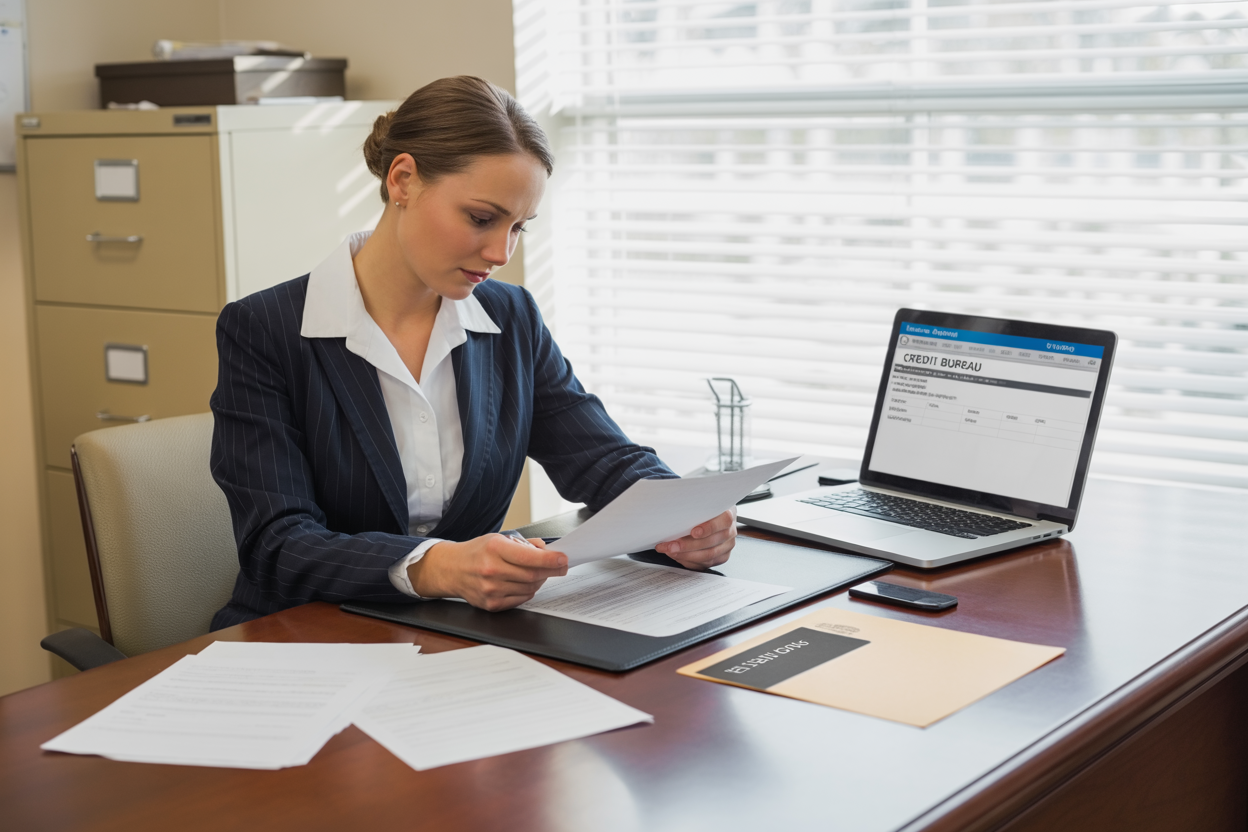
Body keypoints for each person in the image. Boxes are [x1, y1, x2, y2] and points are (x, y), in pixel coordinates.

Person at [208, 76, 737, 629]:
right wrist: (438, 567)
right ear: (404, 179)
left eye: (518, 228)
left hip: (460, 634)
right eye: (482, 219)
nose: (500, 252)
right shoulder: (264, 329)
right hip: (308, 636)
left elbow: (600, 458)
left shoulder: (510, 318)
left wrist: (682, 518)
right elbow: (277, 543)